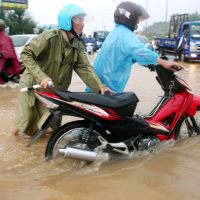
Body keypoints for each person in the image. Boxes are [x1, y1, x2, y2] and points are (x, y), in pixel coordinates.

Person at [9, 4, 115, 136]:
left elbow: (84, 68)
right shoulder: (49, 37)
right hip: (34, 85)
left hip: (55, 88)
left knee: (53, 122)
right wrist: (41, 76)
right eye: (79, 20)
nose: (83, 24)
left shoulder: (78, 43)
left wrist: (101, 88)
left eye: (83, 20)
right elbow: (26, 54)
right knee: (25, 119)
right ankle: (10, 139)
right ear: (67, 21)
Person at [85, 1, 184, 93]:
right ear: (130, 18)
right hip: (108, 88)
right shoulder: (126, 34)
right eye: (137, 19)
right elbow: (139, 50)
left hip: (98, 86)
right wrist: (164, 63)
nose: (138, 22)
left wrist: (138, 60)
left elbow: (121, 57)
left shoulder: (116, 32)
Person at [0, 19, 21, 84]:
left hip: (7, 58)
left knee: (1, 71)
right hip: (2, 58)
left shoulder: (5, 37)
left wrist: (1, 53)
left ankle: (9, 84)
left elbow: (8, 51)